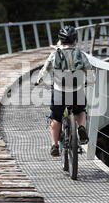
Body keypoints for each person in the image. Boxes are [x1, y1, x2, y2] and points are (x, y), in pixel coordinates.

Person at [35, 25, 93, 157]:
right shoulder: (81, 54)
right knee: (81, 111)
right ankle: (81, 127)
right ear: (75, 40)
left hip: (59, 91)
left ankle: (54, 145)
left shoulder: (55, 54)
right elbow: (89, 72)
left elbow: (45, 70)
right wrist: (90, 82)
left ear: (60, 40)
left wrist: (39, 81)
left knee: (55, 118)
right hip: (77, 91)